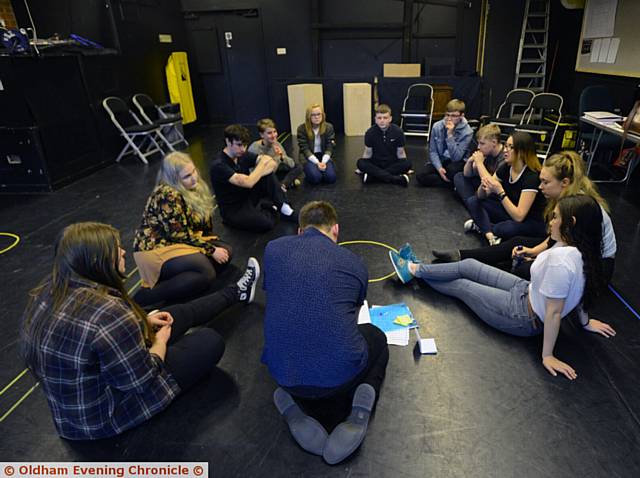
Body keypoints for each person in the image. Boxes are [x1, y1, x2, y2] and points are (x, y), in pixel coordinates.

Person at [21, 222, 260, 440]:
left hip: (71, 417)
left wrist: (142, 320)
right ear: (97, 261)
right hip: (106, 417)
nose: (123, 251)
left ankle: (236, 293)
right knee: (209, 340)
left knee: (176, 314)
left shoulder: (46, 293)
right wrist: (161, 343)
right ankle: (235, 294)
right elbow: (142, 381)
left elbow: (87, 340)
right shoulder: (110, 314)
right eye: (116, 249)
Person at [389, 195, 616, 380]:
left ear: (572, 223)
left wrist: (548, 355)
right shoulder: (583, 250)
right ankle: (416, 270)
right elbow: (580, 292)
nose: (550, 221)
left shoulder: (562, 261)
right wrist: (585, 322)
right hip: (525, 289)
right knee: (469, 265)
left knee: (462, 286)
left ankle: (413, 269)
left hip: (522, 316)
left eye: (555, 217)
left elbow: (554, 313)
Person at [262, 201, 389, 464]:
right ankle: (359, 411)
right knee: (377, 337)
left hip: (283, 374)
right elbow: (351, 311)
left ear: (299, 231)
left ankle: (293, 409)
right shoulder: (354, 263)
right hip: (338, 379)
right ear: (336, 231)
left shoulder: (272, 250)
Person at [434, 150, 617, 281]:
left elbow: (571, 252)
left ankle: (490, 266)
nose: (540, 186)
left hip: (595, 265)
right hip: (571, 251)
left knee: (526, 269)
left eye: (545, 182)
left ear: (565, 183)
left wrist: (539, 257)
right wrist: (533, 251)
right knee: (518, 244)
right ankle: (461, 256)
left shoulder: (581, 207)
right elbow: (554, 241)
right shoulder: (565, 199)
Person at [133, 152, 233, 307]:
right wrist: (211, 250)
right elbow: (179, 235)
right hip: (156, 248)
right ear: (174, 179)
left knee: (226, 252)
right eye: (187, 176)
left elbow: (201, 227)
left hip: (178, 240)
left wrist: (212, 247)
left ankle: (182, 277)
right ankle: (144, 297)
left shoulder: (192, 187)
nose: (194, 178)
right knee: (206, 271)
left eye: (194, 171)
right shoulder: (168, 194)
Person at [463, 131, 546, 245]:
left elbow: (519, 216)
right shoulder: (506, 168)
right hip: (509, 212)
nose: (505, 150)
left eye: (511, 147)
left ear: (521, 152)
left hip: (529, 220)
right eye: (506, 146)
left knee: (504, 229)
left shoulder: (531, 177)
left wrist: (500, 192)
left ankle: (482, 226)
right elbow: (480, 196)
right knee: (473, 201)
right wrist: (483, 187)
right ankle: (490, 235)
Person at [209, 124, 296, 232]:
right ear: (228, 141)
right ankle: (271, 208)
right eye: (239, 145)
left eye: (245, 145)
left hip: (247, 197)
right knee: (266, 224)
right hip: (233, 209)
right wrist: (262, 164)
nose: (243, 149)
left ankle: (284, 208)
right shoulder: (219, 165)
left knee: (268, 176)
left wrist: (262, 166)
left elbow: (272, 164)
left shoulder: (242, 154)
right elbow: (248, 182)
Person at [416, 99, 474, 187]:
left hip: (456, 162)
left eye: (454, 116)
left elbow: (456, 158)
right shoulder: (437, 126)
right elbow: (433, 151)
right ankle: (450, 183)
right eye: (447, 115)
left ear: (462, 116)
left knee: (452, 170)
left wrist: (450, 135)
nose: (449, 119)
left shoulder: (467, 132)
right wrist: (439, 168)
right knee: (420, 175)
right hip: (442, 159)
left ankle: (450, 180)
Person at [356, 104, 411, 186]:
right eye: (379, 118)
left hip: (391, 163)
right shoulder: (370, 132)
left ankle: (373, 177)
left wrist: (405, 167)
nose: (382, 121)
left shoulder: (398, 132)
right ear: (375, 119)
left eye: (385, 118)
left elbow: (400, 153)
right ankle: (396, 179)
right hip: (376, 163)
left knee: (408, 163)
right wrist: (362, 167)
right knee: (360, 163)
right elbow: (368, 153)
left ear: (390, 119)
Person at [453, 124, 505, 204]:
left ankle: (470, 201)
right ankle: (471, 201)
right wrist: (470, 161)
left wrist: (479, 163)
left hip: (495, 190)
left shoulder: (504, 158)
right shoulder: (487, 152)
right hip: (483, 185)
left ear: (494, 142)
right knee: (459, 176)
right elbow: (467, 174)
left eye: (482, 143)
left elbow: (491, 184)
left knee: (468, 194)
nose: (478, 147)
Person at [249, 118, 302, 191]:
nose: (274, 135)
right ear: (262, 135)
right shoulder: (254, 148)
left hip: (276, 171)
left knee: (298, 167)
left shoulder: (277, 144)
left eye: (274, 131)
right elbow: (253, 173)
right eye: (269, 133)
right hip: (264, 176)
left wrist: (282, 156)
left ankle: (283, 185)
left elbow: (292, 164)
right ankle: (285, 183)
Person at [296, 104, 337, 185]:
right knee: (315, 178)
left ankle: (322, 168)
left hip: (323, 155)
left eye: (319, 114)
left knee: (331, 178)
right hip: (308, 157)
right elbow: (305, 149)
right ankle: (311, 169)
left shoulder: (329, 127)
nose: (317, 117)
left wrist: (324, 162)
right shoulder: (302, 129)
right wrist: (317, 163)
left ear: (322, 115)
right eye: (313, 115)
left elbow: (330, 147)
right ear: (308, 116)